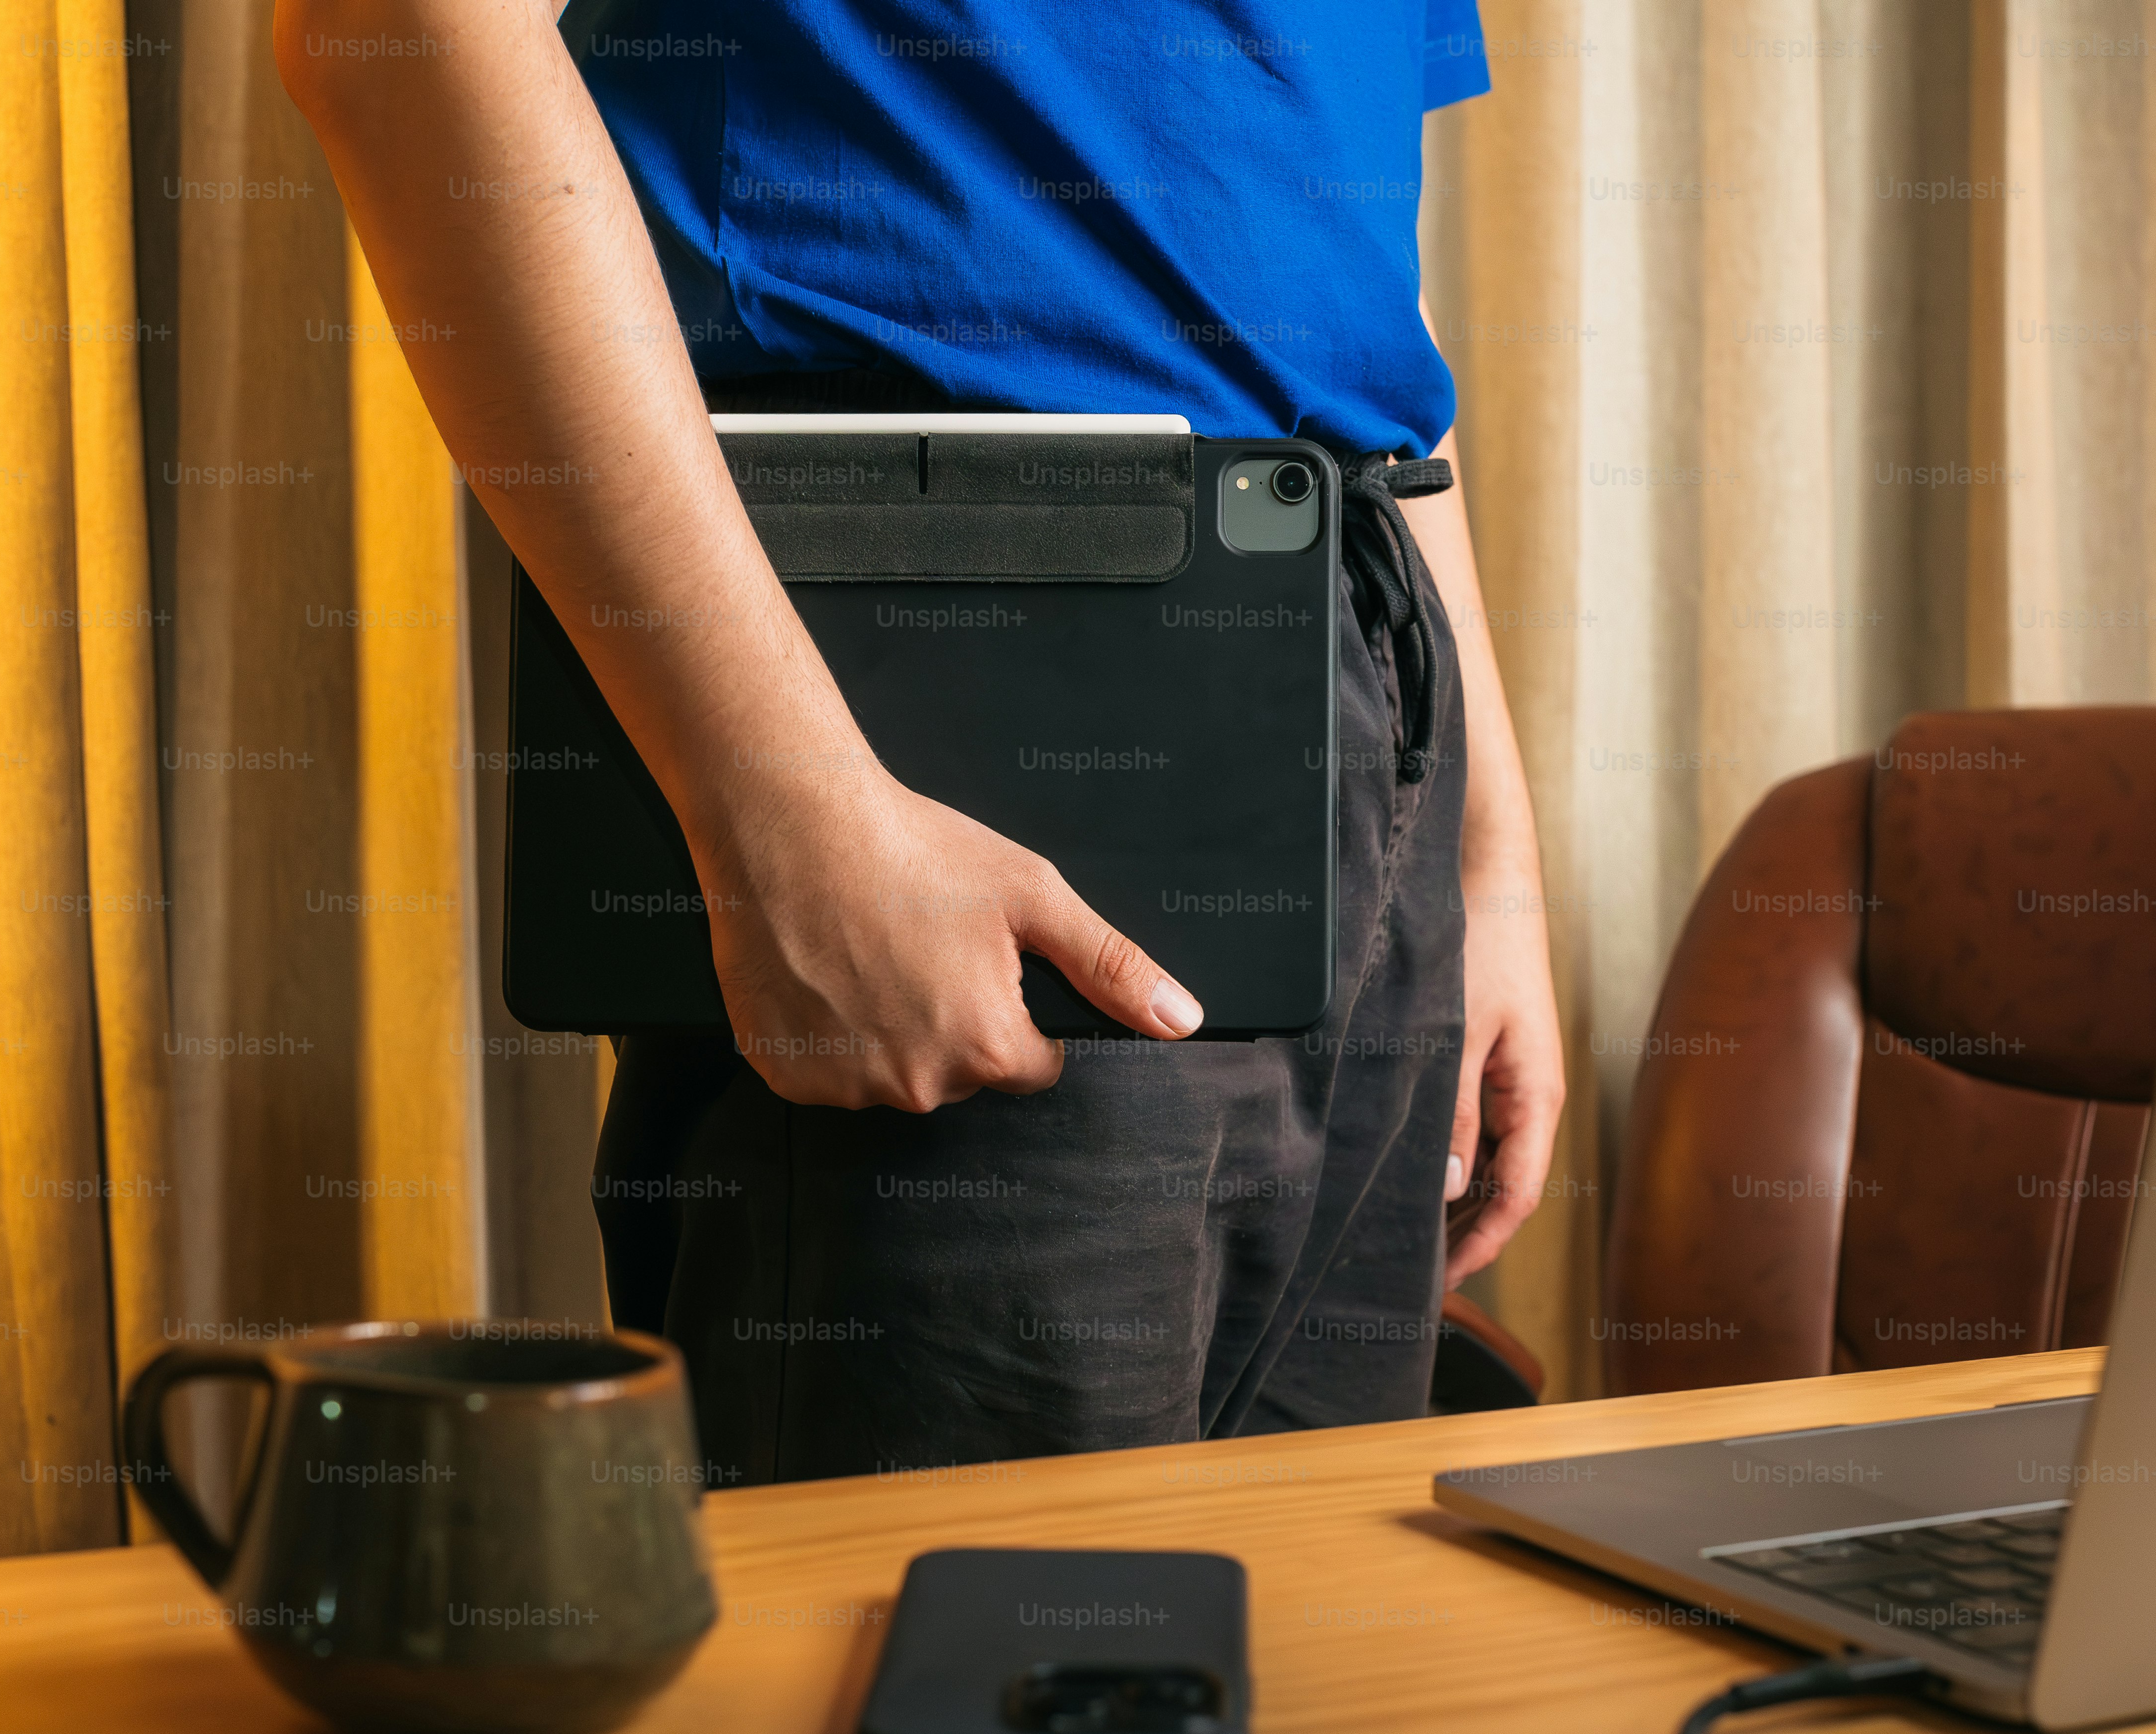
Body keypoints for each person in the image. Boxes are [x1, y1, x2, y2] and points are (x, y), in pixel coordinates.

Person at [276, 1, 1565, 1481]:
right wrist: (790, 806)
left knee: (1308, 1654)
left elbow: (1337, 268)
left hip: (1366, 667)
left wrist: (1487, 865)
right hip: (950, 730)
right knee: (942, 1665)